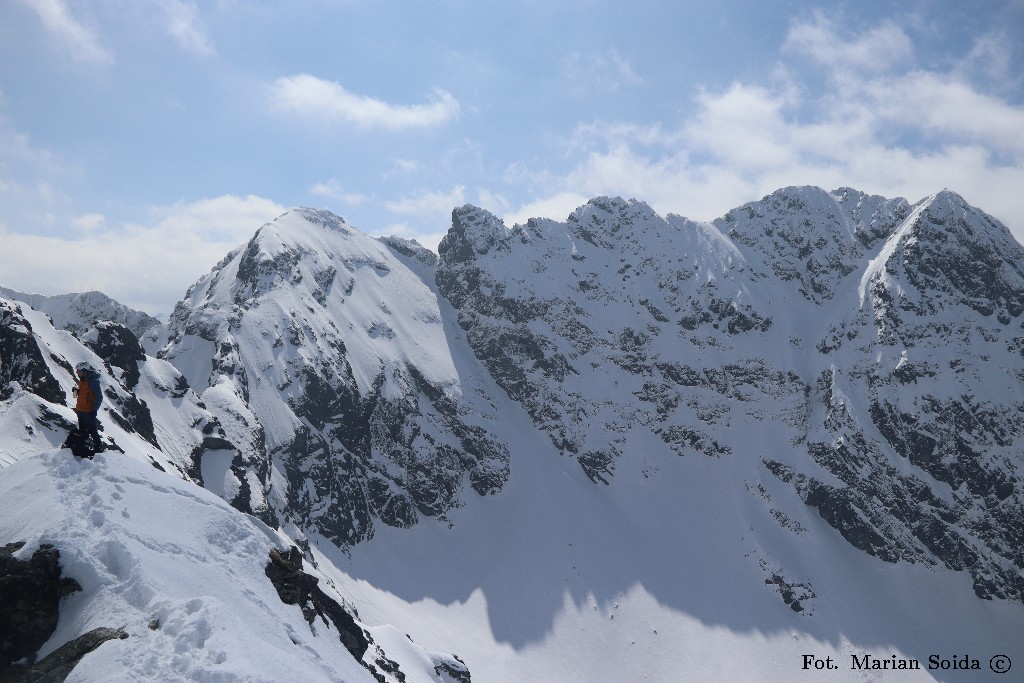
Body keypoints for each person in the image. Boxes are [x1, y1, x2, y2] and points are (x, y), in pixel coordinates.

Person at [74, 362, 104, 454]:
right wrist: (76, 391)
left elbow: (99, 397)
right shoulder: (81, 381)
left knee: (93, 431)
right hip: (80, 410)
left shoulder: (93, 382)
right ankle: (84, 447)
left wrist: (94, 410)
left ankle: (98, 450)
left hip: (89, 411)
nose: (77, 373)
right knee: (82, 431)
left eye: (78, 371)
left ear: (84, 371)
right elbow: (77, 396)